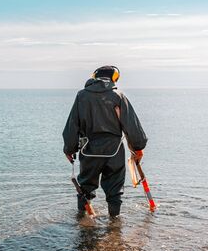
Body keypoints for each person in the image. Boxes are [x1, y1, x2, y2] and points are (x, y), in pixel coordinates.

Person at [62, 65, 147, 217]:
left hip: (89, 151)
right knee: (114, 191)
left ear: (94, 77)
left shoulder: (82, 96)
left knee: (85, 188)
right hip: (114, 152)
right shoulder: (118, 96)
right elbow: (131, 125)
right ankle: (114, 226)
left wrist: (69, 149)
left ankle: (83, 224)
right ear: (114, 78)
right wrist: (138, 147)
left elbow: (72, 124)